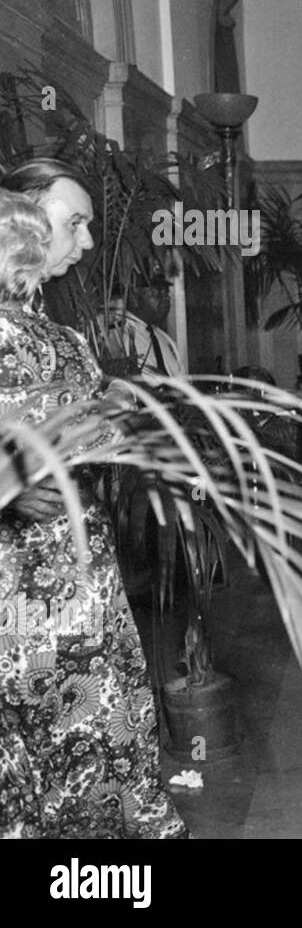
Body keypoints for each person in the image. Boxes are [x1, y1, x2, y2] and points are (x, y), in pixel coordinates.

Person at [0, 178, 188, 838]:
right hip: (17, 596)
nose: (86, 242)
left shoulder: (64, 340)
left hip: (80, 585)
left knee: (97, 736)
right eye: (73, 223)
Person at [101, 281, 184, 383]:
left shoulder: (163, 338)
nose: (166, 299)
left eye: (166, 293)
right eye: (157, 293)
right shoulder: (119, 334)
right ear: (134, 297)